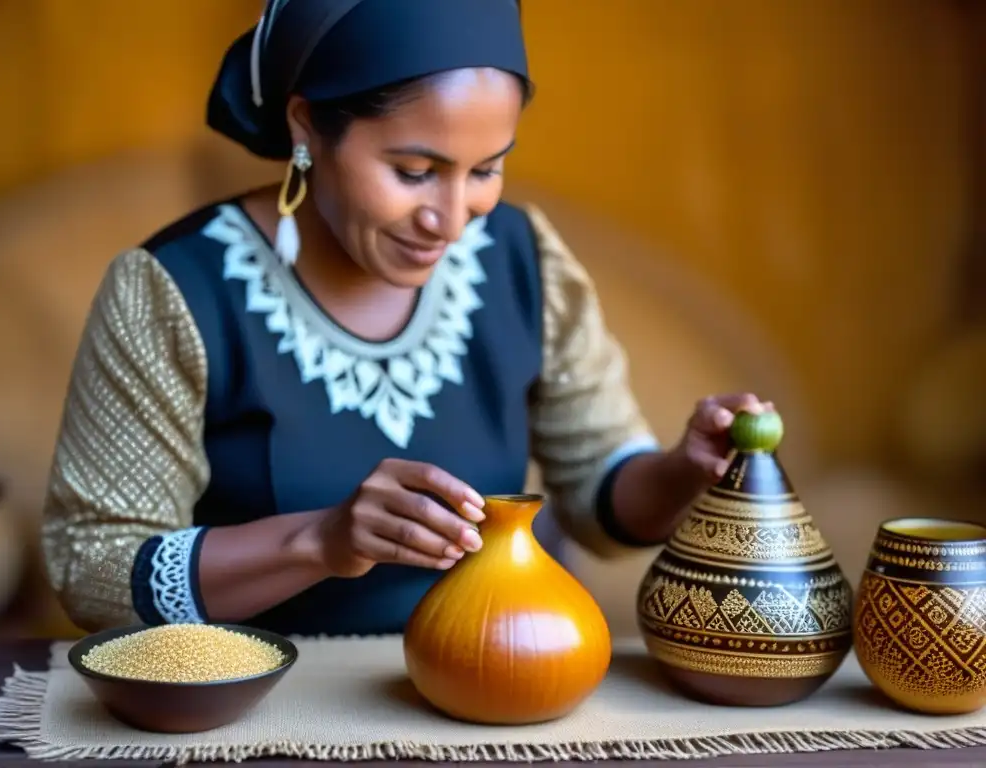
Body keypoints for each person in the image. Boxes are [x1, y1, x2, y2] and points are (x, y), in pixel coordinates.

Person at [41, 0, 773, 637]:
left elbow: (602, 503)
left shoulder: (522, 259)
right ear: (306, 126)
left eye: (486, 169)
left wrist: (684, 470)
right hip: (266, 712)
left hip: (493, 691)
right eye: (415, 172)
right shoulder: (176, 290)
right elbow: (95, 571)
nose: (451, 220)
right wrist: (322, 540)